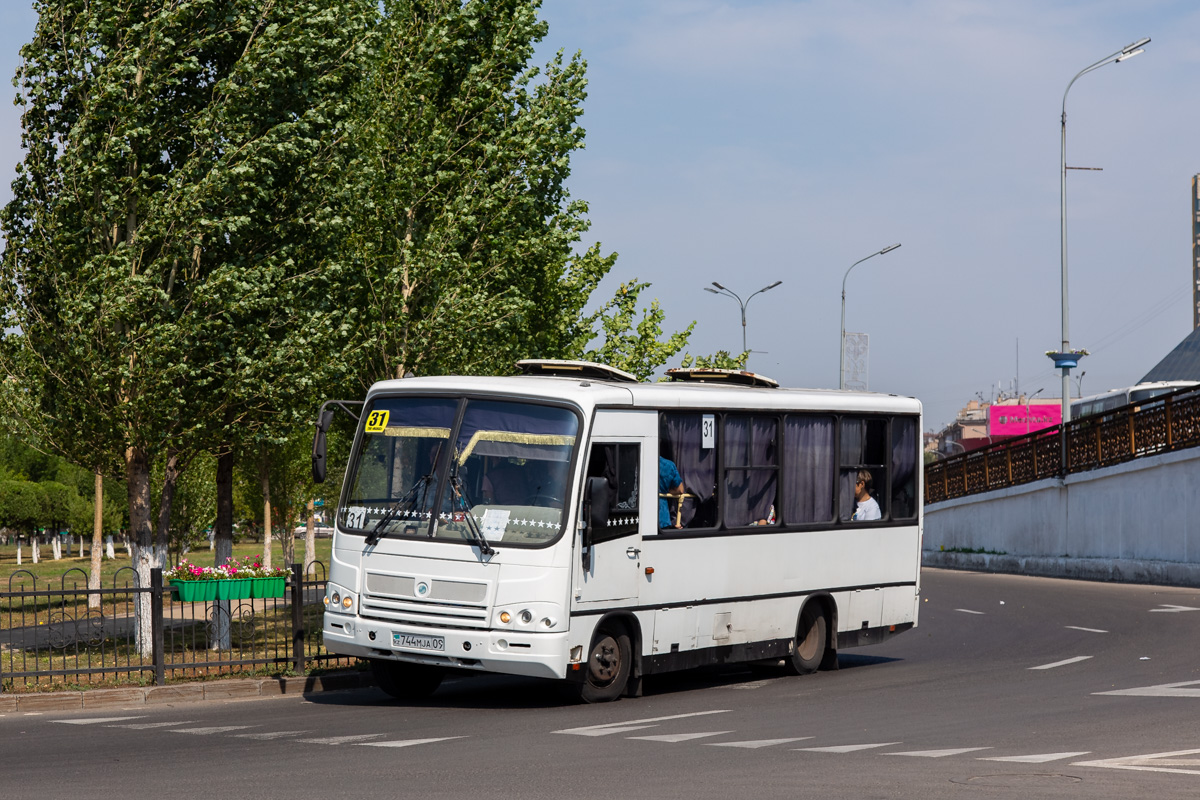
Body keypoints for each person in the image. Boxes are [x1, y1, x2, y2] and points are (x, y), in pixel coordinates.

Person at [658, 456, 684, 529]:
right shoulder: (668, 464)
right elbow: (680, 490)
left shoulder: (635, 460)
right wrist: (667, 490)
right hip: (661, 517)